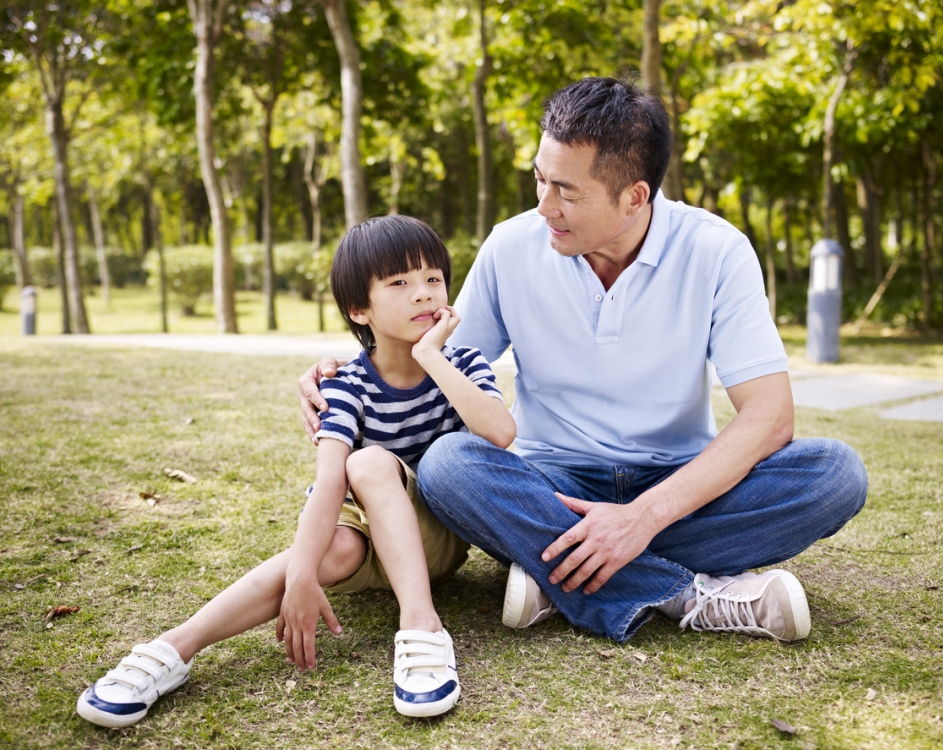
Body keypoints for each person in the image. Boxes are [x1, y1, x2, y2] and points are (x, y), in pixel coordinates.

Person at [299, 77, 867, 645]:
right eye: (540, 179)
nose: (543, 205)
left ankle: (557, 569)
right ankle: (685, 593)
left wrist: (642, 518)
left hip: (676, 481)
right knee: (451, 466)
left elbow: (769, 418)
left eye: (565, 192)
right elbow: (431, 356)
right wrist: (345, 370)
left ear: (634, 197)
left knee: (834, 476)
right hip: (547, 480)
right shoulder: (512, 246)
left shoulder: (716, 251)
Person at [77, 216, 516, 727]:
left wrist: (429, 355)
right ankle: (172, 649)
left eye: (433, 279)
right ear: (360, 309)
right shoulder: (346, 383)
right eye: (399, 283)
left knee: (369, 462)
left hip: (435, 537)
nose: (423, 294)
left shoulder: (462, 361)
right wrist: (303, 577)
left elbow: (499, 432)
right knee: (336, 535)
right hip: (365, 539)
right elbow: (329, 480)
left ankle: (423, 627)